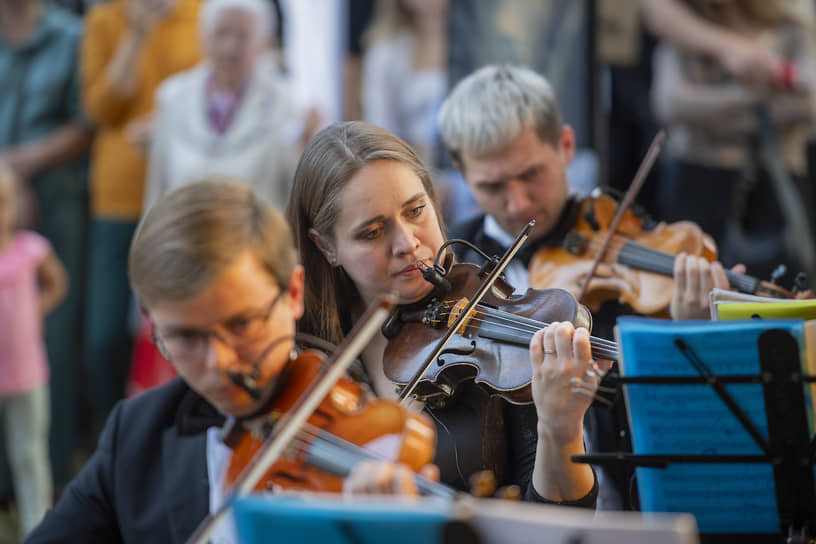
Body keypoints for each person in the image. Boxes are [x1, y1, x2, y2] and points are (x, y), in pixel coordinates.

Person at [26, 179, 430, 543]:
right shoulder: (136, 434)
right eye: (185, 336)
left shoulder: (375, 441)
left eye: (241, 324)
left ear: (293, 293)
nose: (219, 363)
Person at [436, 64, 746, 509]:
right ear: (461, 171)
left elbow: (685, 418)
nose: (518, 202)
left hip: (639, 504)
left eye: (531, 175)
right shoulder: (455, 270)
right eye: (492, 185)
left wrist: (691, 333)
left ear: (565, 145)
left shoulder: (627, 233)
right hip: (521, 509)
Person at [287, 120, 608, 506]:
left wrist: (560, 430)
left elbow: (554, 527)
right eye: (372, 233)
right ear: (326, 247)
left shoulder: (490, 332)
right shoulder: (304, 365)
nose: (407, 243)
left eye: (416, 210)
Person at [81, 0, 203, 426]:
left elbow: (215, 93)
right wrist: (135, 34)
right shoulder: (105, 18)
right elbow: (100, 108)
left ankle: (171, 434)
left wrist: (169, 125)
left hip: (182, 195)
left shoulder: (202, 11)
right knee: (107, 334)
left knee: (174, 332)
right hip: (120, 197)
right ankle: (114, 434)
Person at [0, 0, 90, 487]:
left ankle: (49, 471)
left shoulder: (71, 35)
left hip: (54, 196)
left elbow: (84, 122)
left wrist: (20, 167)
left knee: (46, 332)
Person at [144, 0, 300, 212]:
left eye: (242, 36)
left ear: (263, 42)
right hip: (183, 238)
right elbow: (157, 187)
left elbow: (293, 192)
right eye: (221, 33)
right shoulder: (171, 95)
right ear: (204, 37)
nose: (230, 47)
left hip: (255, 240)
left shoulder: (286, 100)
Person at [0, 163, 67, 536]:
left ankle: (37, 527)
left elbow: (57, 284)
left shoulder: (31, 250)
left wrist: (33, 311)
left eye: (4, 202)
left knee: (29, 454)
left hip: (26, 372)